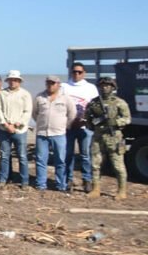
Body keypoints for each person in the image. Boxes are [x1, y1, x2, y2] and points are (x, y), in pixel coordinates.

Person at [85, 77, 131, 199]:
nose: (104, 88)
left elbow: (127, 119)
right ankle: (96, 189)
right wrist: (93, 122)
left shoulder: (119, 102)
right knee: (95, 164)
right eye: (102, 86)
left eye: (107, 85)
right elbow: (88, 120)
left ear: (112, 87)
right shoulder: (94, 103)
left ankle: (122, 191)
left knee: (118, 166)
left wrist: (115, 122)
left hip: (114, 136)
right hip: (98, 136)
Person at [33, 75, 76, 191]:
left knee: (60, 161)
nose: (50, 85)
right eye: (48, 83)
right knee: (41, 160)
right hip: (42, 133)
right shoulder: (39, 97)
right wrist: (41, 123)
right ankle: (41, 184)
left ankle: (60, 184)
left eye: (53, 83)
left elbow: (72, 114)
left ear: (58, 84)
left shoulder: (65, 98)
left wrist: (65, 126)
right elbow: (35, 113)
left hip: (59, 134)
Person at [61, 62, 99, 193]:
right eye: (74, 72)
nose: (76, 74)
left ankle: (87, 180)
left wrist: (86, 121)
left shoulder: (91, 88)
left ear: (84, 73)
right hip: (68, 127)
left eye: (79, 72)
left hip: (85, 127)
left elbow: (95, 108)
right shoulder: (64, 87)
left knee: (85, 155)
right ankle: (68, 179)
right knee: (68, 154)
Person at [0, 70, 33, 189]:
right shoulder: (2, 93)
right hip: (4, 129)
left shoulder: (25, 94)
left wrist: (17, 124)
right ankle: (2, 179)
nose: (13, 82)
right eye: (11, 80)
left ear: (19, 81)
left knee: (22, 156)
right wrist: (6, 124)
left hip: (20, 130)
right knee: (4, 155)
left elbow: (27, 112)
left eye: (15, 80)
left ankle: (24, 181)